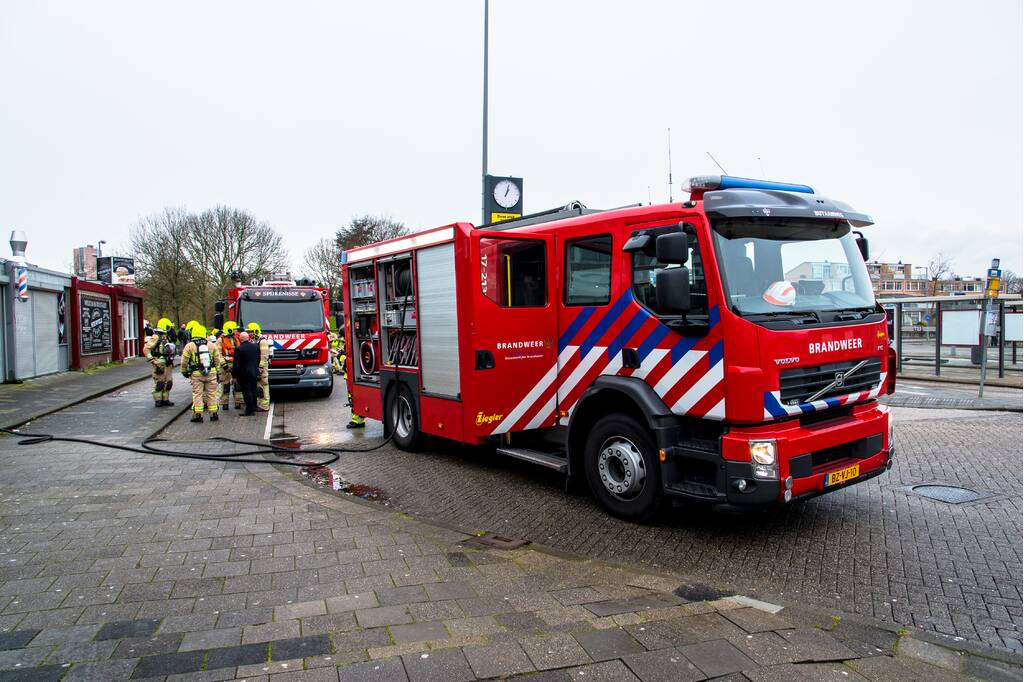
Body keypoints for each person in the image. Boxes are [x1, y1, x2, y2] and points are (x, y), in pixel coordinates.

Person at [180, 324, 223, 422]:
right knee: (212, 394)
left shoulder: (189, 345)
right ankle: (214, 414)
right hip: (211, 373)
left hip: (196, 374)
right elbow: (217, 360)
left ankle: (198, 416)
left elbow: (184, 361)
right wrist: (217, 371)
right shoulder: (212, 345)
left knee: (197, 394)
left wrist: (184, 371)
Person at [143, 318, 176, 407]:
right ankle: (158, 400)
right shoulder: (156, 336)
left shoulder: (166, 336)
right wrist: (152, 360)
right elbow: (146, 349)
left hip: (168, 363)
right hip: (159, 363)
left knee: (168, 383)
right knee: (160, 383)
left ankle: (165, 399)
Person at [233, 331, 260, 416]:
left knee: (246, 391)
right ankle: (254, 406)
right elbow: (258, 359)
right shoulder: (255, 347)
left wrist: (235, 375)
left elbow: (236, 364)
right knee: (253, 389)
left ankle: (249, 410)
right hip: (254, 371)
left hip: (244, 374)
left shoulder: (239, 349)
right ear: (248, 338)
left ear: (240, 339)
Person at [246, 322, 272, 411]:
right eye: (248, 332)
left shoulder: (263, 341)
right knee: (257, 386)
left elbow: (264, 357)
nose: (249, 334)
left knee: (263, 385)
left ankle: (264, 405)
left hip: (261, 368)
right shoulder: (253, 341)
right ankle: (259, 404)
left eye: (250, 332)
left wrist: (260, 368)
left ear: (255, 331)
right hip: (255, 367)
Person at [218, 321, 243, 410]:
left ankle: (238, 402)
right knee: (226, 385)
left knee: (238, 384)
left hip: (236, 364)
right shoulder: (220, 340)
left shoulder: (238, 338)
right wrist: (224, 365)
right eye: (234, 329)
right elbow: (218, 354)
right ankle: (225, 403)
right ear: (229, 330)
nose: (236, 330)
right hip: (225, 365)